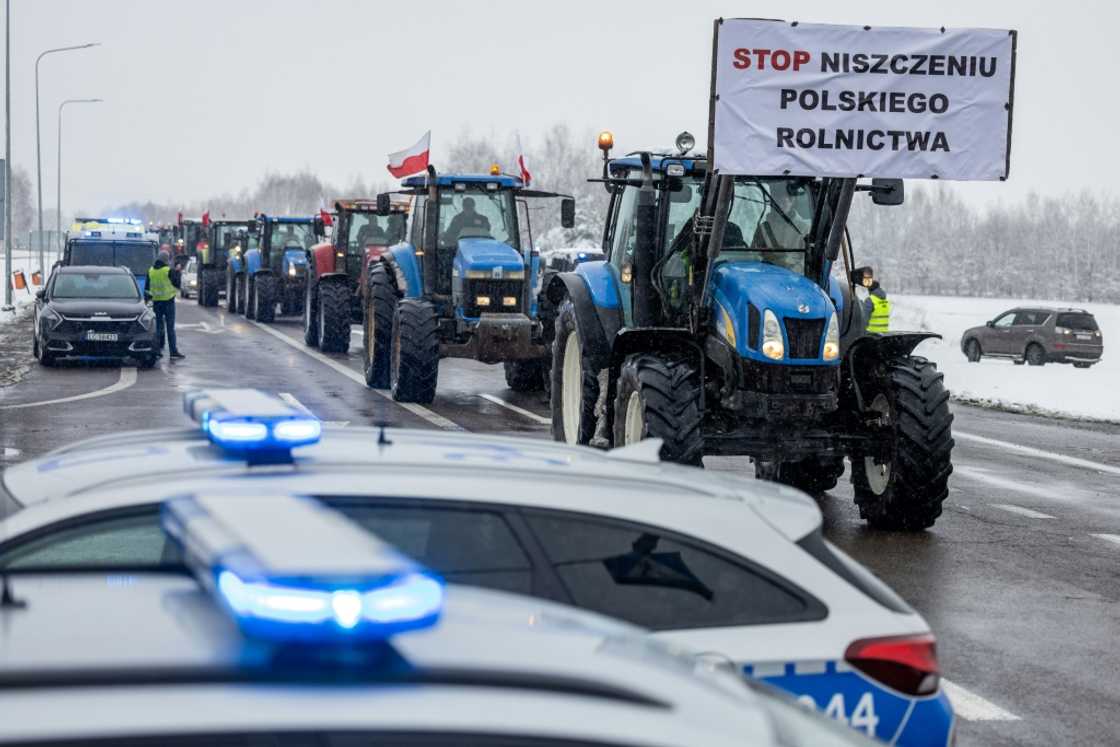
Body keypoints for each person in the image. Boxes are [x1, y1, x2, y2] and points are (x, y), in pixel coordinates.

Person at [147, 248, 185, 359]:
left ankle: (157, 350)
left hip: (156, 303)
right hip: (168, 302)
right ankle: (173, 351)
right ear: (166, 260)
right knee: (170, 328)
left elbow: (147, 288)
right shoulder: (168, 271)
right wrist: (178, 272)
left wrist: (147, 300)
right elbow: (177, 284)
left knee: (158, 328)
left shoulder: (151, 271)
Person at [857, 266, 890, 333]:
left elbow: (865, 319)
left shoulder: (870, 300)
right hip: (884, 333)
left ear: (870, 290)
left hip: (872, 334)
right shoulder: (884, 300)